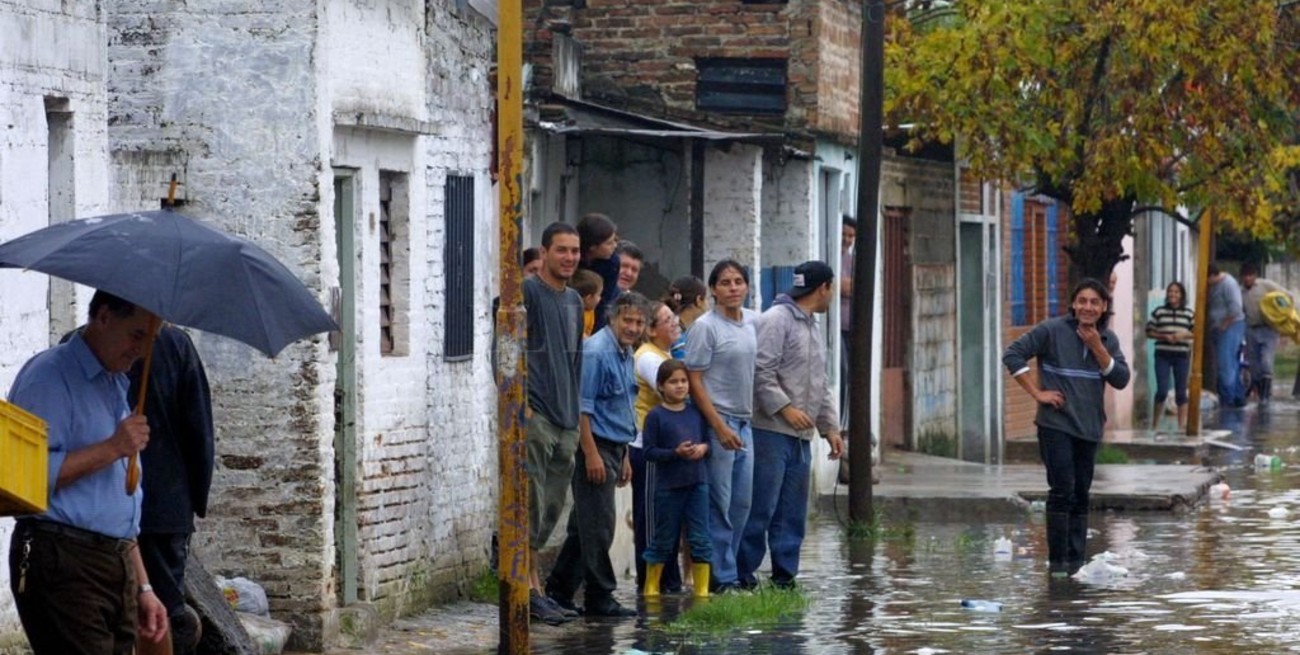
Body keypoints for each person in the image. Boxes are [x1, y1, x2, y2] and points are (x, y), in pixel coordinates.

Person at [7, 290, 169, 654]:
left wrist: (143, 587)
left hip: (114, 562)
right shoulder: (50, 376)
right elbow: (22, 475)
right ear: (104, 317)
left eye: (151, 340)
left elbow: (117, 504)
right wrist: (112, 447)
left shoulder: (114, 383)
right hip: (63, 558)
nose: (141, 350)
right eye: (136, 335)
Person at [62, 324, 215, 655]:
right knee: (150, 611)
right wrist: (195, 499)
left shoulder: (82, 346)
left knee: (152, 611)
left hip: (142, 506)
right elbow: (199, 430)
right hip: (144, 506)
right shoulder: (175, 345)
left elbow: (197, 426)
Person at [1002, 278, 1130, 576]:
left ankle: (1076, 562)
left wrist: (1097, 346)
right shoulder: (1052, 330)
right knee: (1062, 489)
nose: (1087, 307)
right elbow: (1013, 354)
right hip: (1055, 424)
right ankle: (1058, 564)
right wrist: (1038, 393)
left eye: (1094, 302)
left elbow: (1121, 379)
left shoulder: (1108, 340)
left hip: (1089, 427)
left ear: (1103, 307)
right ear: (1073, 304)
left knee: (1081, 492)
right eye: (1082, 301)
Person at [738, 261, 845, 589]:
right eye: (832, 289)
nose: (833, 295)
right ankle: (742, 578)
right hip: (770, 431)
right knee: (762, 509)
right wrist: (785, 409)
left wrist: (830, 427)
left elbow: (820, 382)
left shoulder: (811, 325)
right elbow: (761, 372)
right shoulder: (776, 320)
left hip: (801, 436)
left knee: (792, 513)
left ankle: (784, 578)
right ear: (823, 288)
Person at [546, 292, 648, 618]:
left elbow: (623, 406)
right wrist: (590, 454)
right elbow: (582, 409)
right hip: (596, 445)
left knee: (585, 526)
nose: (632, 327)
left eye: (639, 322)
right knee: (601, 526)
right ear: (612, 318)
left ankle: (559, 590)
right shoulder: (597, 352)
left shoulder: (625, 352)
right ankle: (599, 597)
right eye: (627, 320)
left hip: (616, 446)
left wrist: (626, 456)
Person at [684, 260, 758, 593]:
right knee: (719, 503)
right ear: (713, 289)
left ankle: (733, 569)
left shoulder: (753, 322)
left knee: (742, 503)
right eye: (725, 282)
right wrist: (718, 425)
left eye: (738, 281)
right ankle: (720, 577)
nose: (733, 287)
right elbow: (694, 378)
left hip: (744, 423)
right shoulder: (705, 326)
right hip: (719, 422)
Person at [523, 222, 585, 626]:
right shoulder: (527, 292)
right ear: (544, 253)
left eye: (575, 251)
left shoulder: (577, 301)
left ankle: (537, 590)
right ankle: (527, 590)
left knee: (551, 509)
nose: (569, 257)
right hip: (537, 413)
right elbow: (504, 347)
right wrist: (520, 409)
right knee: (529, 503)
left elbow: (576, 360)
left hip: (566, 419)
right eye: (561, 250)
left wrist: (576, 419)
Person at [641, 360, 712, 598]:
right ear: (661, 386)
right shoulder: (656, 416)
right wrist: (675, 453)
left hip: (697, 484)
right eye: (673, 382)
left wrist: (702, 449)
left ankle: (701, 591)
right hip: (668, 487)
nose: (680, 386)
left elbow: (707, 441)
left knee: (700, 538)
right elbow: (649, 452)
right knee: (663, 539)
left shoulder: (695, 413)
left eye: (683, 381)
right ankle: (651, 589)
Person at [631, 301, 683, 594]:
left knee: (666, 516)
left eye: (673, 316)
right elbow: (673, 394)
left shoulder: (665, 354)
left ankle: (668, 581)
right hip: (647, 447)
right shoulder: (649, 358)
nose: (675, 322)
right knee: (651, 519)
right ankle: (652, 582)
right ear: (651, 330)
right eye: (667, 319)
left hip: (667, 448)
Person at [1145, 282, 1194, 431]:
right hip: (1163, 355)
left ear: (1182, 295)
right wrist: (1164, 336)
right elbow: (1148, 331)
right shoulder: (1159, 312)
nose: (1173, 294)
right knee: (1162, 390)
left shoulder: (1188, 313)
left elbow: (1196, 332)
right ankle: (1154, 424)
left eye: (1177, 292)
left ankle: (1181, 426)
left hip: (1181, 356)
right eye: (1171, 292)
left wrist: (1182, 335)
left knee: (1181, 391)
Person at [1240, 262, 1287, 404]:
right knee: (1254, 366)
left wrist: (1284, 316)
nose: (1248, 279)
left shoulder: (1265, 285)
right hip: (1251, 329)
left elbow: (1285, 296)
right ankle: (1260, 394)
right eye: (1245, 276)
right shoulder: (1240, 291)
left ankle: (1266, 396)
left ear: (1255, 276)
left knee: (1266, 361)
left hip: (1268, 328)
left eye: (1250, 276)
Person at [1207, 264, 1247, 407]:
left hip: (1231, 326)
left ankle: (1228, 399)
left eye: (1207, 280)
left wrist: (1224, 325)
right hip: (1221, 327)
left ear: (1212, 276)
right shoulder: (1216, 285)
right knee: (1230, 363)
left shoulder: (1228, 284)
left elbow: (1236, 308)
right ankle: (1238, 396)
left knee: (1226, 364)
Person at [576, 213, 622, 332]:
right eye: (609, 243)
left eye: (614, 241)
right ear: (592, 247)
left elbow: (605, 301)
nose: (614, 246)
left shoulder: (612, 263)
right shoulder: (574, 258)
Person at [667, 276, 708, 360]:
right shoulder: (677, 335)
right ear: (699, 300)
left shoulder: (670, 326)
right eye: (706, 298)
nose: (708, 304)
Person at [570, 269, 604, 338]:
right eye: (598, 295)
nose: (600, 298)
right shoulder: (572, 313)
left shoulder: (591, 311)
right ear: (589, 298)